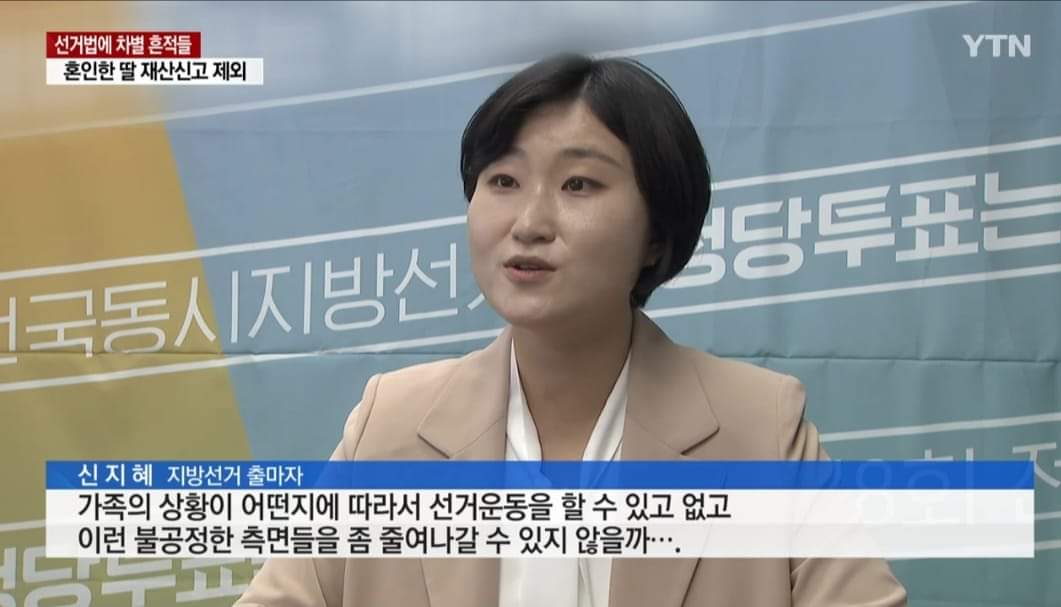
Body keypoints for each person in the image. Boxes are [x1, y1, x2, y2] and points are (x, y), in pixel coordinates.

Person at [236, 52, 907, 607]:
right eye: (503, 180)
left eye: (579, 185)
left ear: (656, 234)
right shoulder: (392, 424)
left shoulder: (760, 428)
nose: (529, 222)